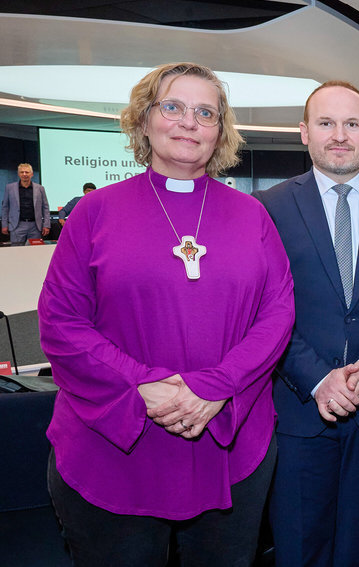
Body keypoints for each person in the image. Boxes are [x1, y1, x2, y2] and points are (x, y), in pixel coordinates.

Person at [38, 62, 295, 567]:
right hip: (115, 447)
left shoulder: (252, 216)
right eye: (172, 107)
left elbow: (278, 312)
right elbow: (62, 322)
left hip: (228, 441)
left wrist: (216, 385)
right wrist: (145, 385)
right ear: (144, 119)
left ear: (221, 131)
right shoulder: (94, 213)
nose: (188, 122)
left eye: (206, 112)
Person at [256, 80, 359, 567]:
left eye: (352, 124)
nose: (339, 134)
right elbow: (263, 309)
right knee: (299, 546)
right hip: (297, 407)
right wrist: (317, 378)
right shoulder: (267, 208)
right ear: (303, 133)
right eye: (326, 123)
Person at [3, 163, 50, 244]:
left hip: (35, 226)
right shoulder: (9, 188)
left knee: (35, 252)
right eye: (22, 172)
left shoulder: (40, 188)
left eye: (27, 172)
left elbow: (45, 207)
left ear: (31, 174)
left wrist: (46, 225)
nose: (24, 174)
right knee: (16, 252)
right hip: (17, 225)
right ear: (18, 174)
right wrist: (4, 224)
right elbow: (5, 207)